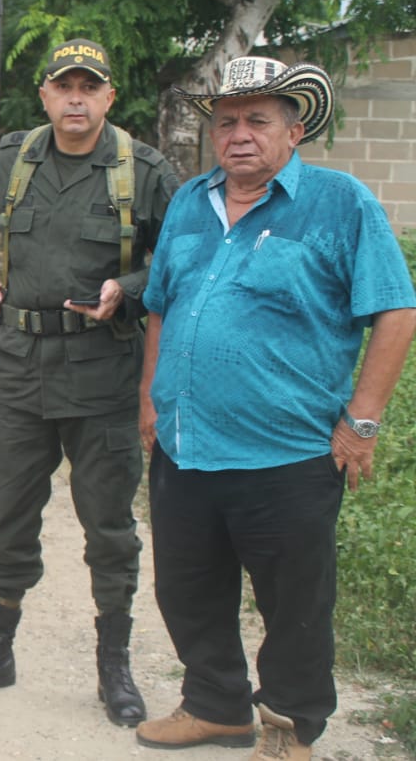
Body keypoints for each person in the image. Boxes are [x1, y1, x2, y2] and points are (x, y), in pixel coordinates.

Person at [135, 57, 416, 760]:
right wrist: (149, 402)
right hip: (185, 444)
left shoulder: (340, 202)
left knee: (293, 604)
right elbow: (162, 309)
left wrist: (363, 421)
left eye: (257, 120)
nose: (238, 135)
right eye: (226, 121)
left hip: (287, 453)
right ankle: (215, 706)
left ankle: (290, 726)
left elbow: (395, 312)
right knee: (185, 589)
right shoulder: (190, 202)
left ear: (294, 131)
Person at [0, 39, 178, 726]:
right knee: (9, 518)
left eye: (89, 87)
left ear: (108, 97)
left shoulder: (145, 170)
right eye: (63, 86)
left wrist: (129, 288)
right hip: (20, 369)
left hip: (102, 372)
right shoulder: (12, 157)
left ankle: (114, 664)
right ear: (44, 95)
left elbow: (185, 251)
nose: (75, 98)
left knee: (109, 527)